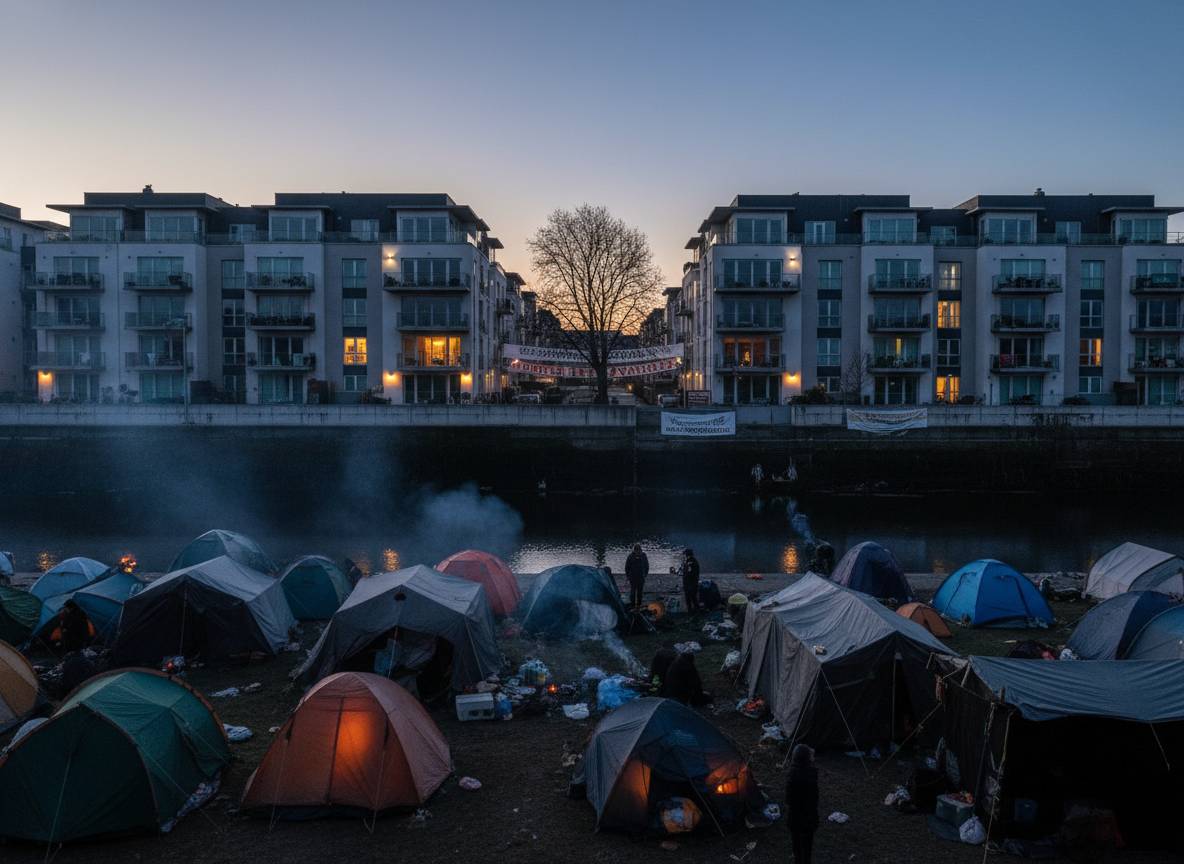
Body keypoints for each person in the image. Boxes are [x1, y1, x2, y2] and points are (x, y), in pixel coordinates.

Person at [785, 744, 819, 864]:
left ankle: (798, 859)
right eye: (811, 756)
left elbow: (788, 799)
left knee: (797, 843)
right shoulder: (812, 775)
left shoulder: (791, 774)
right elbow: (814, 798)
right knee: (807, 844)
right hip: (808, 818)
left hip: (794, 818)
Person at [625, 544, 649, 608]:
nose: (638, 552)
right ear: (634, 550)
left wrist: (645, 574)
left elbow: (647, 566)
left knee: (640, 592)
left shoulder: (644, 556)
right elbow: (627, 567)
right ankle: (632, 604)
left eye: (639, 550)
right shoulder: (630, 556)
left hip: (641, 577)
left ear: (640, 550)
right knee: (633, 592)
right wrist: (628, 576)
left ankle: (639, 604)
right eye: (637, 551)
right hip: (633, 577)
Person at [680, 548, 701, 614]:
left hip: (690, 583)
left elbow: (689, 573)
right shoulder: (690, 561)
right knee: (692, 598)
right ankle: (694, 611)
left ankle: (693, 612)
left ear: (687, 554)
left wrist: (684, 575)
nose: (684, 556)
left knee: (691, 598)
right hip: (691, 583)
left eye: (685, 554)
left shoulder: (690, 562)